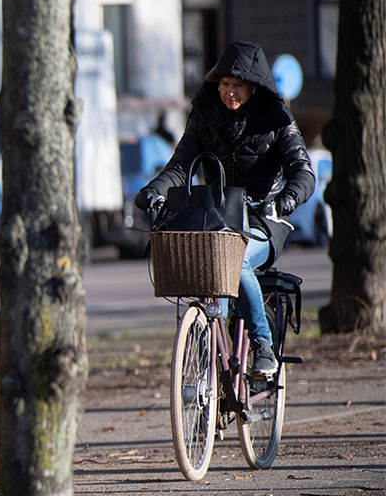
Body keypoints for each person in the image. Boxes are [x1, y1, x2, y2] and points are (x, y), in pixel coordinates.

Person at [135, 40, 314, 377]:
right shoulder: (204, 116)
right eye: (225, 85)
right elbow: (179, 166)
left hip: (263, 220)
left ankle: (262, 345)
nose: (230, 93)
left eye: (238, 87)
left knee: (238, 260)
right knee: (203, 268)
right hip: (217, 217)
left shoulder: (276, 119)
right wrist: (152, 191)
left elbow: (303, 172)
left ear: (255, 88)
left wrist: (286, 199)